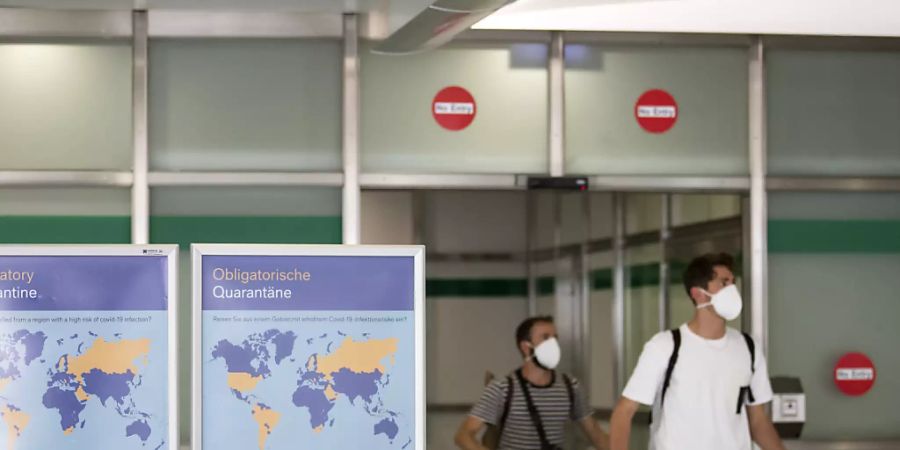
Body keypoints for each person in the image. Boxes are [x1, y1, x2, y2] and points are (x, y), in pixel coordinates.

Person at [609, 253, 786, 450]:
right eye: (724, 283)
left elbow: (758, 421)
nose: (732, 290)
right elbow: (624, 412)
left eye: (733, 282)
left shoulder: (748, 347)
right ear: (698, 293)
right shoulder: (665, 346)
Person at [455, 316, 610, 450]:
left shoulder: (570, 386)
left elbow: (595, 432)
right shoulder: (502, 387)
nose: (553, 343)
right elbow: (464, 435)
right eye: (545, 337)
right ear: (526, 347)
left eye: (555, 337)